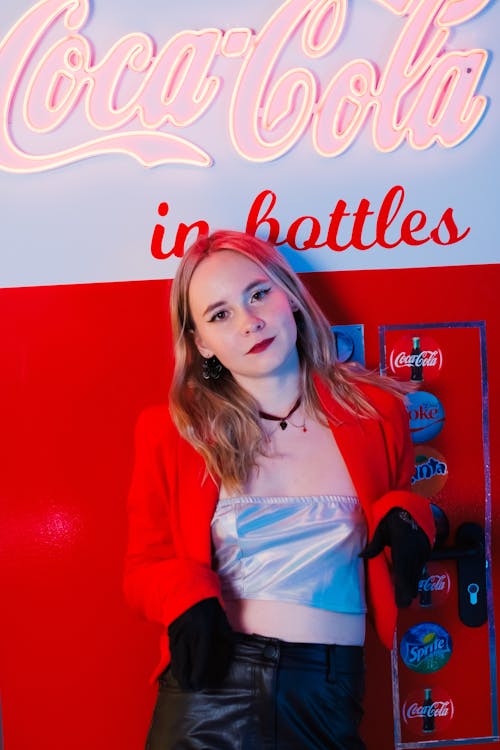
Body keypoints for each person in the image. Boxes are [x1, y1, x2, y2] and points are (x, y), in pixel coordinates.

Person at [124, 230, 435, 750]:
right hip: (211, 695)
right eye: (220, 315)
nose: (249, 322)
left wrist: (408, 514)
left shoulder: (377, 415)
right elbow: (141, 570)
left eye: (257, 294)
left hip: (329, 689)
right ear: (202, 343)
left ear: (288, 293)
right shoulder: (173, 432)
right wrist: (186, 598)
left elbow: (395, 500)